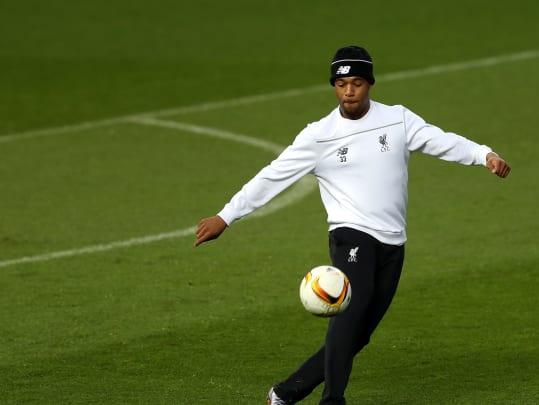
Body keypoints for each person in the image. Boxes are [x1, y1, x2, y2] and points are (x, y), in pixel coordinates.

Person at [194, 45, 511, 405]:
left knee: (358, 334)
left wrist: (483, 155)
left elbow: (441, 141)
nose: (348, 91)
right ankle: (333, 400)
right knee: (350, 313)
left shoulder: (398, 120)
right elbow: (272, 177)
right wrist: (226, 215)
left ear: (369, 84)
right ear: (334, 86)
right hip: (350, 234)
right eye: (341, 83)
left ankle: (284, 393)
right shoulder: (319, 135)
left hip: (393, 242)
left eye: (356, 82)